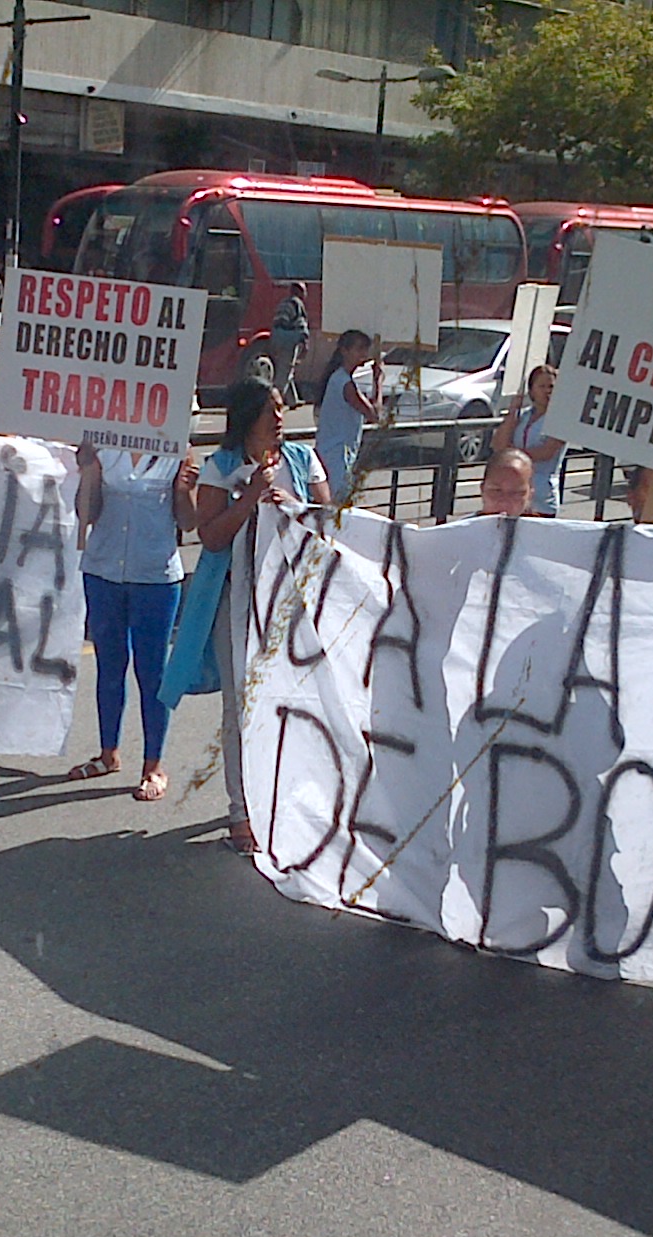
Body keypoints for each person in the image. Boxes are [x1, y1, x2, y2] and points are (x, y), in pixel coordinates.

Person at [165, 378, 330, 854]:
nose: (280, 417)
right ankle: (242, 812)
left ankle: (283, 798)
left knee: (292, 705)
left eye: (281, 408)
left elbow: (328, 517)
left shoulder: (302, 459)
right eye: (270, 409)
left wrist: (295, 508)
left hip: (291, 604)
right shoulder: (222, 467)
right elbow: (211, 537)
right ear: (248, 415)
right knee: (242, 707)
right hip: (236, 601)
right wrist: (250, 498)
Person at [68, 445, 198, 802]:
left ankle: (153, 764)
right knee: (110, 666)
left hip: (155, 574)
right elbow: (88, 513)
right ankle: (108, 753)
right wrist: (88, 472)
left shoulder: (176, 452)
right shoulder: (105, 446)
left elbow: (188, 522)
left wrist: (185, 490)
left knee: (152, 671)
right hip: (103, 569)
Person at [492, 364, 567, 518]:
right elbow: (499, 446)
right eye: (542, 386)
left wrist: (513, 455)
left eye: (551, 386)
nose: (547, 391)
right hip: (515, 496)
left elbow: (546, 452)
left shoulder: (559, 419)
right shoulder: (523, 416)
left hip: (542, 495)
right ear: (531, 390)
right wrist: (512, 411)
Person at [312, 329, 380, 494]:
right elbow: (374, 414)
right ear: (344, 351)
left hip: (335, 452)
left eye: (365, 349)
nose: (363, 354)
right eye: (359, 349)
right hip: (336, 455)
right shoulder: (344, 383)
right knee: (336, 503)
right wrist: (378, 381)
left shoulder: (340, 378)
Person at [268, 282, 311, 406]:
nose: (305, 294)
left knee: (284, 368)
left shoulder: (283, 304)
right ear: (299, 292)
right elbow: (301, 327)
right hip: (289, 342)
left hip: (277, 340)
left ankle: (293, 400)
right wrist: (305, 343)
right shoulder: (297, 304)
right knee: (285, 372)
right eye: (304, 291)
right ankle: (276, 400)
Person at [480, 449, 536, 518]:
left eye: (516, 493)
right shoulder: (465, 527)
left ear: (530, 494)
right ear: (482, 490)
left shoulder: (544, 528)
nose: (504, 503)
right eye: (496, 491)